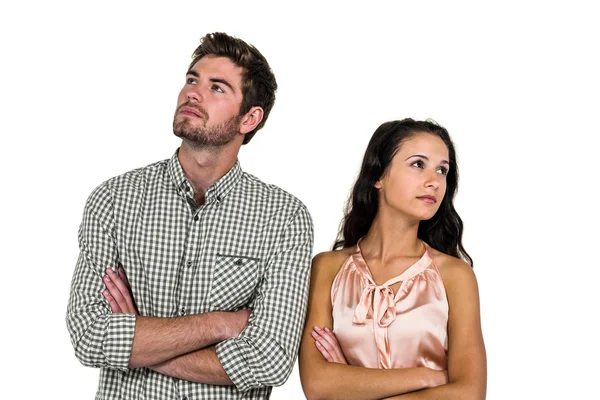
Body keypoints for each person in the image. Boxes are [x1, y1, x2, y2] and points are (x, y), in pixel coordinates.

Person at [66, 32, 314, 400]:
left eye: (217, 87)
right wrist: (220, 323)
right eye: (191, 79)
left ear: (250, 118)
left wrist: (138, 341)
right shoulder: (114, 199)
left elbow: (269, 359)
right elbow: (89, 336)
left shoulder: (284, 218)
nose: (192, 93)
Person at [298, 119, 486, 399]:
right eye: (418, 164)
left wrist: (352, 385)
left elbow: (469, 394)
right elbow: (317, 384)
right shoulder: (327, 268)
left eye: (442, 170)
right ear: (379, 176)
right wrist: (429, 378)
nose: (434, 181)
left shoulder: (455, 275)